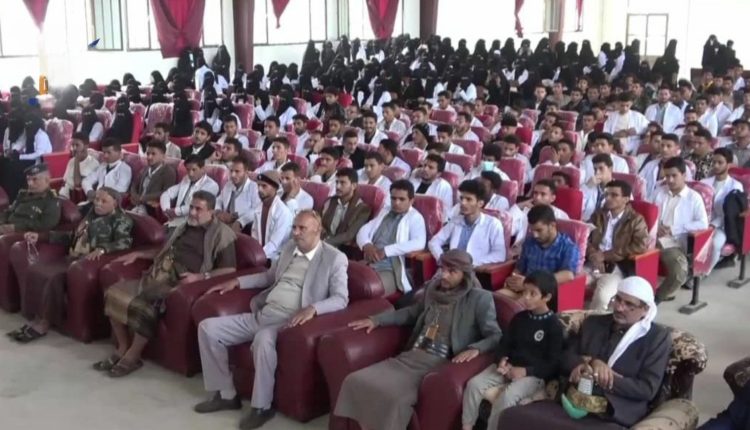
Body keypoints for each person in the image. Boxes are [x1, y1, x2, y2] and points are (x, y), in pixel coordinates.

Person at [193, 210, 348, 429]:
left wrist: (313, 308)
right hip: (263, 314)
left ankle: (261, 407)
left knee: (263, 339)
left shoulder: (334, 258)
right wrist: (237, 282)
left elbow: (341, 298)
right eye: (294, 227)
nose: (295, 233)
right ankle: (227, 395)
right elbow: (268, 277)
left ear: (318, 230)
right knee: (208, 328)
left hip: (288, 322)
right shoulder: (289, 248)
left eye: (301, 228)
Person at [335, 249, 501, 430]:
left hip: (437, 364)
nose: (444, 275)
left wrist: (476, 349)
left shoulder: (479, 299)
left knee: (395, 400)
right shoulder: (433, 289)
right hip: (411, 356)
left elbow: (495, 335)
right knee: (354, 380)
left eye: (451, 271)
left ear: (465, 275)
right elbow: (411, 313)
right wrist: (377, 320)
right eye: (442, 269)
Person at [96, 191, 236, 377]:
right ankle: (122, 347)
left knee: (147, 302)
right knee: (114, 292)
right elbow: (163, 251)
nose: (192, 213)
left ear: (211, 212)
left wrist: (200, 277)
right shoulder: (183, 226)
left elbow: (229, 270)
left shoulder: (223, 234)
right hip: (158, 274)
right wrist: (139, 254)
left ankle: (133, 356)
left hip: (179, 282)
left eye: (198, 209)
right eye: (191, 207)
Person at [499, 277, 671, 430]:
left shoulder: (657, 338)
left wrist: (601, 377)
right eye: (618, 299)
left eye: (629, 304)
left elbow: (647, 389)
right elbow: (564, 357)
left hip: (612, 412)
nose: (619, 307)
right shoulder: (594, 323)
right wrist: (588, 363)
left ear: (645, 309)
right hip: (573, 400)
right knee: (514, 416)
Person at [9, 188, 133, 343]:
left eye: (104, 201)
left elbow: (124, 242)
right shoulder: (91, 215)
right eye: (96, 199)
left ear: (115, 203)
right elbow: (72, 236)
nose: (98, 204)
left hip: (86, 263)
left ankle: (44, 323)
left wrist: (103, 249)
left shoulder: (121, 220)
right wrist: (40, 236)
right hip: (72, 256)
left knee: (54, 278)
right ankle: (36, 316)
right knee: (36, 270)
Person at [462, 271, 563, 430]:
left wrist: (525, 371)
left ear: (547, 297)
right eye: (525, 292)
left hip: (533, 375)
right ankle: (467, 426)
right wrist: (501, 359)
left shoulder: (554, 326)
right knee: (474, 384)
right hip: (507, 368)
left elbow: (553, 363)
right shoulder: (519, 318)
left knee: (507, 397)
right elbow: (504, 344)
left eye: (533, 294)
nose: (526, 297)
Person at [586, 180, 649, 310]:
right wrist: (593, 255)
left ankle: (594, 321)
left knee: (602, 296)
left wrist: (605, 256)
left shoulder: (636, 219)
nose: (608, 198)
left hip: (617, 266)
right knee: (569, 284)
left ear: (626, 199)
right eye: (606, 194)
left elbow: (640, 245)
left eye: (614, 195)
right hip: (592, 262)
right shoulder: (598, 215)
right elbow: (584, 237)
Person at [356, 180, 427, 296]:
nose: (396, 203)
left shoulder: (415, 217)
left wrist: (386, 251)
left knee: (368, 290)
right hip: (370, 261)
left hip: (391, 268)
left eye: (402, 199)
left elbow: (419, 242)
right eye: (393, 198)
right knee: (344, 281)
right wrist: (366, 244)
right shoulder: (386, 211)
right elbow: (364, 229)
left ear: (411, 201)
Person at [653, 157, 708, 302]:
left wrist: (674, 229)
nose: (670, 180)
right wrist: (656, 227)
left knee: (679, 272)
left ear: (684, 175)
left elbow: (703, 223)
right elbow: (649, 215)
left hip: (673, 242)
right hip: (652, 237)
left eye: (674, 175)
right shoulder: (659, 192)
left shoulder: (694, 197)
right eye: (667, 176)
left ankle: (656, 298)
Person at [504, 205, 578, 300]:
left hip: (544, 294)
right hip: (524, 289)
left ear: (552, 225)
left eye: (539, 230)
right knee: (497, 298)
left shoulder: (568, 246)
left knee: (516, 305)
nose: (535, 235)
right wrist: (513, 279)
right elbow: (519, 267)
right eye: (532, 230)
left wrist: (530, 284)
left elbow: (568, 275)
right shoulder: (529, 242)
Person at [428, 179, 505, 266]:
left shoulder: (493, 224)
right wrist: (442, 258)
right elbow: (434, 242)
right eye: (461, 198)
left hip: (475, 269)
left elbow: (499, 255)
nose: (463, 203)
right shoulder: (455, 221)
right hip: (451, 268)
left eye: (468, 199)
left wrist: (471, 264)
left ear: (480, 203)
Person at [701, 148, 744, 270]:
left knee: (715, 244)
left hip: (723, 225)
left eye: (720, 162)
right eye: (714, 162)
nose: (715, 165)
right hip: (702, 222)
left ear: (729, 165)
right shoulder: (704, 182)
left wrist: (713, 225)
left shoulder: (735, 186)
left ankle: (704, 272)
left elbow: (731, 213)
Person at [159, 155, 220, 229]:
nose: (190, 173)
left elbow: (197, 205)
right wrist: (166, 210)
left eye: (194, 170)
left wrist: (175, 211)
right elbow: (167, 194)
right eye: (188, 170)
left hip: (194, 223)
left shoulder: (211, 185)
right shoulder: (186, 179)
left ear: (203, 169)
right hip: (175, 220)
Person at [0, 164, 61, 235]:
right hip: (5, 228)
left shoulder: (51, 200)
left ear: (47, 180)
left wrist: (14, 227)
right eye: (28, 179)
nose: (30, 183)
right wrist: (1, 222)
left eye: (35, 179)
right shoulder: (23, 194)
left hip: (21, 234)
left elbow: (45, 225)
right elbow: (9, 211)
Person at [508, 179, 570, 246]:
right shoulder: (526, 211)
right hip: (519, 249)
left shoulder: (561, 215)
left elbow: (561, 241)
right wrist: (519, 206)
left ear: (552, 198)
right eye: (535, 193)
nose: (537, 197)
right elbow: (508, 230)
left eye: (543, 194)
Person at [321, 168, 372, 248]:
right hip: (322, 240)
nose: (338, 186)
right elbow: (318, 221)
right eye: (337, 182)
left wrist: (324, 243)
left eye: (342, 183)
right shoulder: (330, 201)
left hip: (342, 248)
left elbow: (349, 235)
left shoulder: (362, 209)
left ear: (354, 186)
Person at [250, 171, 294, 262]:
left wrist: (257, 256)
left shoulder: (283, 212)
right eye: (258, 185)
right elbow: (254, 236)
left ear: (275, 188)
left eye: (264, 186)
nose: (259, 189)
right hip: (260, 256)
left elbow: (274, 244)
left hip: (276, 259)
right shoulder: (259, 207)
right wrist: (254, 253)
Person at [130, 140, 178, 216]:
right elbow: (134, 184)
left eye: (153, 154)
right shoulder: (145, 169)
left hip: (151, 208)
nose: (149, 157)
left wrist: (143, 198)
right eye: (148, 154)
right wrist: (134, 195)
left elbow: (167, 192)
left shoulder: (169, 172)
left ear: (163, 156)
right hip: (137, 204)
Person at [216, 156, 261, 233]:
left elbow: (257, 210)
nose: (233, 175)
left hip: (243, 226)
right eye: (231, 171)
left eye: (237, 171)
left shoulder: (254, 187)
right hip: (224, 222)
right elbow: (219, 200)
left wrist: (241, 221)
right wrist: (218, 211)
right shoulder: (229, 184)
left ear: (246, 172)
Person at [642, 133, 692, 201]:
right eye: (662, 145)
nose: (664, 149)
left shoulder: (684, 168)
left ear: (677, 148)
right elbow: (639, 184)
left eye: (669, 146)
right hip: (648, 201)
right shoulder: (650, 165)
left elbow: (686, 191)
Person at [409, 154, 454, 220]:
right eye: (424, 165)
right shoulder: (414, 177)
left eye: (430, 167)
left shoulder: (444, 187)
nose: (425, 169)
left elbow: (446, 213)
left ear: (438, 173)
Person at [59, 133, 100, 200]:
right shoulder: (71, 161)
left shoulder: (93, 163)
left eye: (77, 145)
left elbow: (77, 184)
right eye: (73, 145)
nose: (74, 148)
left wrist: (76, 160)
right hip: (62, 195)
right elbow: (65, 181)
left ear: (86, 146)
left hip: (74, 198)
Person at [581, 154, 613, 221]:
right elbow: (578, 207)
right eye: (595, 169)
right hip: (585, 223)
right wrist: (587, 187)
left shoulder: (620, 189)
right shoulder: (589, 185)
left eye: (601, 168)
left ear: (610, 169)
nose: (597, 172)